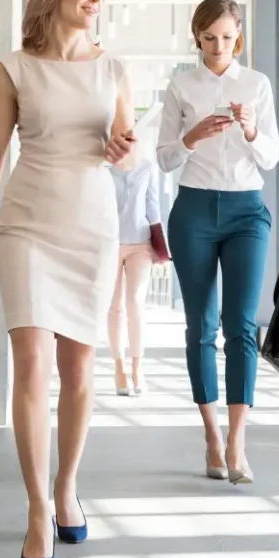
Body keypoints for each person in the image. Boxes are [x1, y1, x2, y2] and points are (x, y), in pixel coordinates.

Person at [0, 0, 135, 558]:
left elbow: (129, 154)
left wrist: (120, 148)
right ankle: (36, 510)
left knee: (78, 367)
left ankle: (67, 487)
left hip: (91, 228)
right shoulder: (14, 69)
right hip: (26, 224)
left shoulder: (112, 68)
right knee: (30, 361)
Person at [156, 0, 279, 485]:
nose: (217, 47)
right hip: (193, 210)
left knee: (241, 326)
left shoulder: (257, 84)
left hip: (246, 210)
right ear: (197, 37)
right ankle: (210, 434)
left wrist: (251, 130)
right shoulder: (181, 86)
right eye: (209, 38)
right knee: (200, 326)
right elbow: (164, 158)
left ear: (239, 38)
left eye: (227, 38)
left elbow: (271, 158)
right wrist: (193, 137)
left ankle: (237, 441)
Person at [108, 152, 162, 396]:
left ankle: (137, 367)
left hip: (141, 244)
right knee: (115, 307)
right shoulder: (102, 167)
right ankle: (118, 367)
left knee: (135, 304)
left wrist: (161, 246)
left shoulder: (146, 166)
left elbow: (153, 205)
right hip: (109, 244)